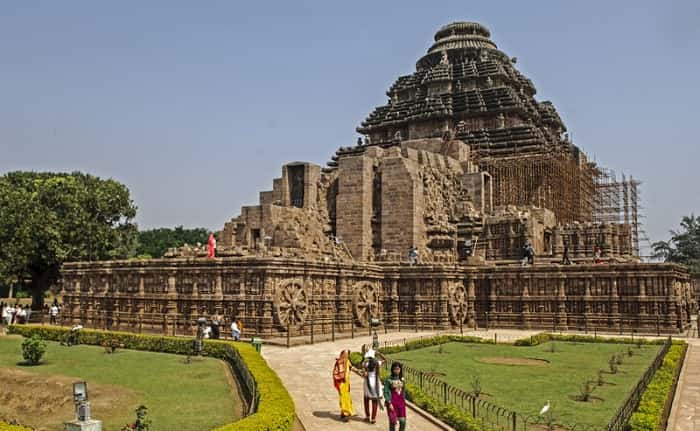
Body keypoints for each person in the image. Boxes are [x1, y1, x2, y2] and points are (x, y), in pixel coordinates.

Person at [362, 348, 386, 424]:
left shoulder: (365, 363)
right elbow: (385, 360)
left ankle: (367, 416)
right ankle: (373, 418)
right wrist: (379, 353)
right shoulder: (377, 362)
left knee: (366, 399)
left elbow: (363, 369)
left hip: (367, 382)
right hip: (375, 382)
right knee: (374, 400)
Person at [332, 350, 357, 421]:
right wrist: (340, 378)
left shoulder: (347, 361)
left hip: (346, 382)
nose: (346, 356)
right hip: (341, 383)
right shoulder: (339, 362)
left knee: (347, 397)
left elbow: (351, 368)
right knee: (343, 397)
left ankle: (344, 413)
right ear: (342, 354)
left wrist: (359, 372)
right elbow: (335, 372)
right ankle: (345, 414)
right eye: (345, 354)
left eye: (347, 355)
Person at [384, 361, 407, 431]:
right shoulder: (389, 380)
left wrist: (404, 401)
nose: (396, 370)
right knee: (392, 422)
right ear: (392, 369)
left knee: (403, 421)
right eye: (395, 369)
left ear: (400, 370)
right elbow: (386, 392)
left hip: (401, 403)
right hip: (392, 403)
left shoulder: (402, 380)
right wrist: (389, 402)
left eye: (398, 369)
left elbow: (403, 391)